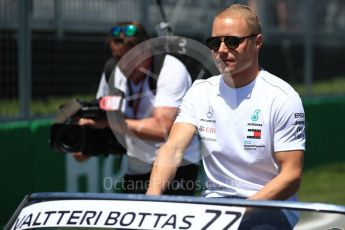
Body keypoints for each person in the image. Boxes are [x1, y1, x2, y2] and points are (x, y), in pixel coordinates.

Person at [146, 4, 305, 229]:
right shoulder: (200, 91)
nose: (221, 50)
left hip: (270, 207)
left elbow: (291, 176)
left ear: (257, 42)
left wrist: (238, 213)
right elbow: (173, 149)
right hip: (215, 205)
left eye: (232, 42)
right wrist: (152, 198)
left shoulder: (282, 97)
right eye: (214, 42)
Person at [73, 20, 200, 195]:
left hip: (177, 164)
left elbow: (163, 130)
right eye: (117, 58)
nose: (121, 65)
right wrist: (83, 142)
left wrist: (110, 123)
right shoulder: (112, 71)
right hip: (137, 165)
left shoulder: (170, 70)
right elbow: (102, 118)